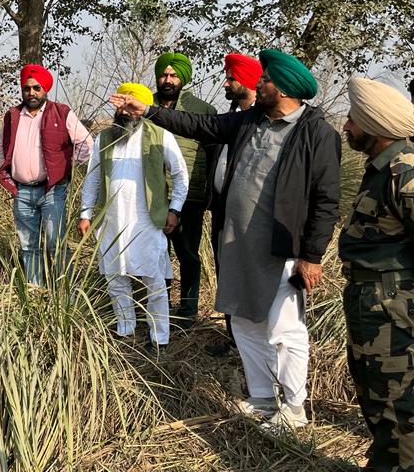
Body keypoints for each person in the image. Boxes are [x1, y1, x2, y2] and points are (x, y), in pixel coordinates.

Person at [110, 49, 341, 430]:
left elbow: (326, 198)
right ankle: (264, 399)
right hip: (237, 242)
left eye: (264, 80)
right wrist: (147, 111)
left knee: (284, 329)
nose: (259, 84)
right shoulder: (250, 119)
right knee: (245, 321)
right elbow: (199, 125)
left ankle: (294, 408)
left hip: (283, 249)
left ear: (283, 88)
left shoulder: (316, 132)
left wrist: (312, 255)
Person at [338, 77, 414, 471]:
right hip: (372, 309)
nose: (346, 126)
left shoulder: (405, 173)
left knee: (403, 409)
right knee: (377, 401)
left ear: (375, 123)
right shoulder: (381, 169)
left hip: (395, 314)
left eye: (353, 119)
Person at [78, 83, 188, 351]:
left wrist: (174, 209)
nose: (124, 112)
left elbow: (180, 175)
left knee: (155, 280)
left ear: (140, 108)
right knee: (115, 278)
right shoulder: (104, 138)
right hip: (112, 220)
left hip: (148, 221)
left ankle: (159, 336)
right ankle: (125, 328)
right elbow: (92, 179)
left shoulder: (161, 136)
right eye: (120, 107)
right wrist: (85, 213)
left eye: (130, 106)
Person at [0, 64, 93, 286]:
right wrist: (10, 173)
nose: (31, 93)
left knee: (54, 243)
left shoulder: (61, 112)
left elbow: (87, 143)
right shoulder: (12, 116)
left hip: (52, 190)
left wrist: (67, 165)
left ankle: (63, 292)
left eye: (36, 88)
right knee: (28, 245)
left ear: (45, 89)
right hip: (21, 190)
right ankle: (35, 290)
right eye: (27, 88)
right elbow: (1, 146)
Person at [152, 52, 216, 327]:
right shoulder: (145, 105)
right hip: (152, 194)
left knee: (187, 252)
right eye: (164, 75)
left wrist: (208, 195)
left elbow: (213, 157)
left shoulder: (203, 111)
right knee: (156, 254)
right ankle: (159, 306)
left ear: (183, 78)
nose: (168, 80)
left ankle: (187, 311)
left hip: (190, 196)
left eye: (174, 75)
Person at [204, 53, 260, 357]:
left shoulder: (261, 123)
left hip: (248, 218)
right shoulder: (230, 118)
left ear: (249, 83)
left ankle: (252, 346)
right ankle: (235, 339)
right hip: (221, 212)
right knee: (226, 275)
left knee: (246, 278)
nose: (226, 83)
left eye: (231, 79)